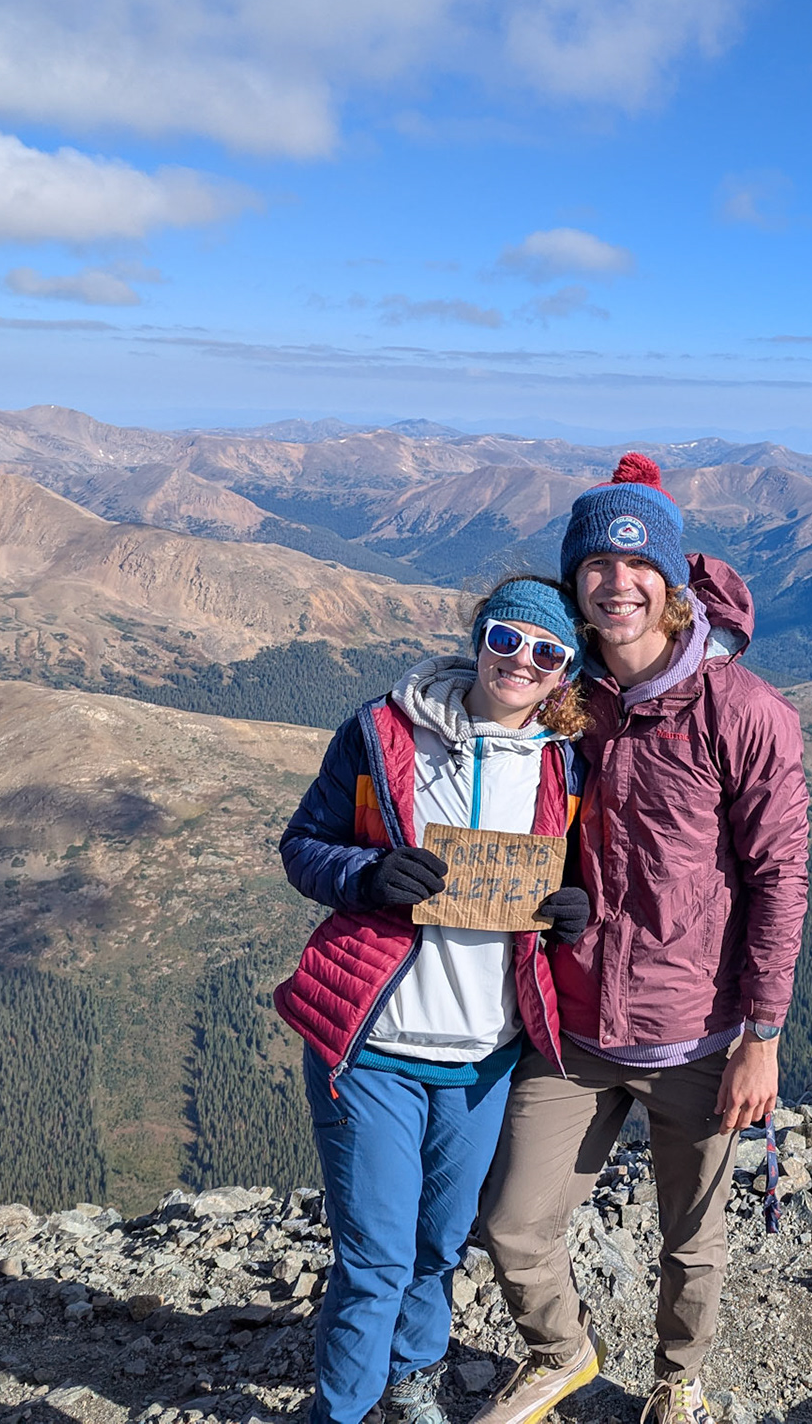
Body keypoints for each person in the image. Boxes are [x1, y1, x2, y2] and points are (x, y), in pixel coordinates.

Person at [475, 455, 810, 1424]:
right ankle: (563, 1353)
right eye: (596, 565)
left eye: (636, 566)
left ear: (669, 581)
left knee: (692, 1240)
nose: (616, 583)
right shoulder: (562, 696)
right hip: (575, 1024)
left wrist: (762, 1038)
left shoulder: (742, 712)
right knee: (512, 1224)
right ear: (575, 579)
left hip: (698, 1033)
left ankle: (678, 1381)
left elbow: (780, 878)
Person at [274, 577, 596, 1424]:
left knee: (438, 1246)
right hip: (375, 1046)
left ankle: (412, 1379)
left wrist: (574, 910)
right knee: (376, 1259)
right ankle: (343, 1413)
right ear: (478, 638)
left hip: (484, 1056)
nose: (521, 661)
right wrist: (367, 875)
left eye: (547, 652)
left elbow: (579, 879)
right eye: (505, 639)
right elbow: (304, 845)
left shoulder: (565, 766)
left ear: (565, 672)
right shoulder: (382, 734)